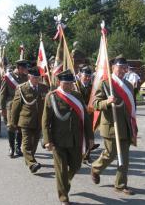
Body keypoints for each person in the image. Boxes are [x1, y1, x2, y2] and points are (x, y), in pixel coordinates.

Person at [42, 69, 94, 205]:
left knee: (76, 165)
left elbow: (86, 118)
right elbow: (45, 121)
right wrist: (47, 140)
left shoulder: (77, 95)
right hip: (58, 140)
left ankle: (65, 183)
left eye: (71, 83)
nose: (70, 86)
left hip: (76, 138)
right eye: (67, 83)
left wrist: (90, 137)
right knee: (61, 170)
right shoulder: (52, 96)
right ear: (60, 82)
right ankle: (63, 197)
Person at [91, 55, 137, 195]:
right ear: (113, 67)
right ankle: (95, 169)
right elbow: (95, 104)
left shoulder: (129, 85)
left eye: (125, 68)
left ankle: (120, 184)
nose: (122, 70)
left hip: (126, 125)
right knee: (110, 154)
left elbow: (131, 107)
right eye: (120, 67)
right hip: (112, 125)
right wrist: (107, 102)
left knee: (124, 158)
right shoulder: (105, 83)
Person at [9, 67, 49, 170]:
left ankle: (30, 159)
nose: (36, 80)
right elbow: (15, 106)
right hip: (25, 120)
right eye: (34, 78)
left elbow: (48, 105)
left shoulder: (44, 88)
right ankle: (32, 163)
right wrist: (13, 122)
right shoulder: (22, 88)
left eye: (38, 78)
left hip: (39, 121)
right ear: (29, 77)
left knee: (34, 143)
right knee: (26, 143)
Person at [0, 60, 28, 157]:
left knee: (20, 126)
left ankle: (17, 147)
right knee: (11, 126)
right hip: (11, 105)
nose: (25, 70)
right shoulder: (8, 77)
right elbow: (2, 94)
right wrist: (1, 108)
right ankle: (11, 147)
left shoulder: (25, 77)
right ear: (19, 68)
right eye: (23, 68)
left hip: (23, 105)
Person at [78, 66, 100, 163]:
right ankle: (78, 154)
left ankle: (87, 155)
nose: (87, 78)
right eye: (85, 76)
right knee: (78, 134)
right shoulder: (75, 86)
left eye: (89, 76)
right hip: (78, 114)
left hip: (89, 113)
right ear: (80, 75)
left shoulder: (92, 88)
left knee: (88, 134)